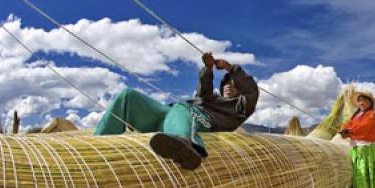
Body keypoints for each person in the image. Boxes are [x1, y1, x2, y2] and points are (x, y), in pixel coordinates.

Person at [94, 52, 259, 169]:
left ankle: (186, 146)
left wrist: (230, 68)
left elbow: (251, 90)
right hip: (170, 117)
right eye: (227, 83)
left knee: (183, 107)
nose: (230, 85)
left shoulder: (239, 108)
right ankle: (95, 147)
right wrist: (208, 69)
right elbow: (203, 92)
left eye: (234, 84)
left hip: (198, 119)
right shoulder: (213, 99)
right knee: (128, 96)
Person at [339, 91, 375, 188]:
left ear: (370, 103)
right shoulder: (355, 116)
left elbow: (364, 128)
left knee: (366, 171)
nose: (361, 102)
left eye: (364, 100)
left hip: (366, 149)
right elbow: (348, 125)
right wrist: (343, 131)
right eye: (359, 100)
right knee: (359, 172)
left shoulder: (372, 115)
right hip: (356, 148)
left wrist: (349, 131)